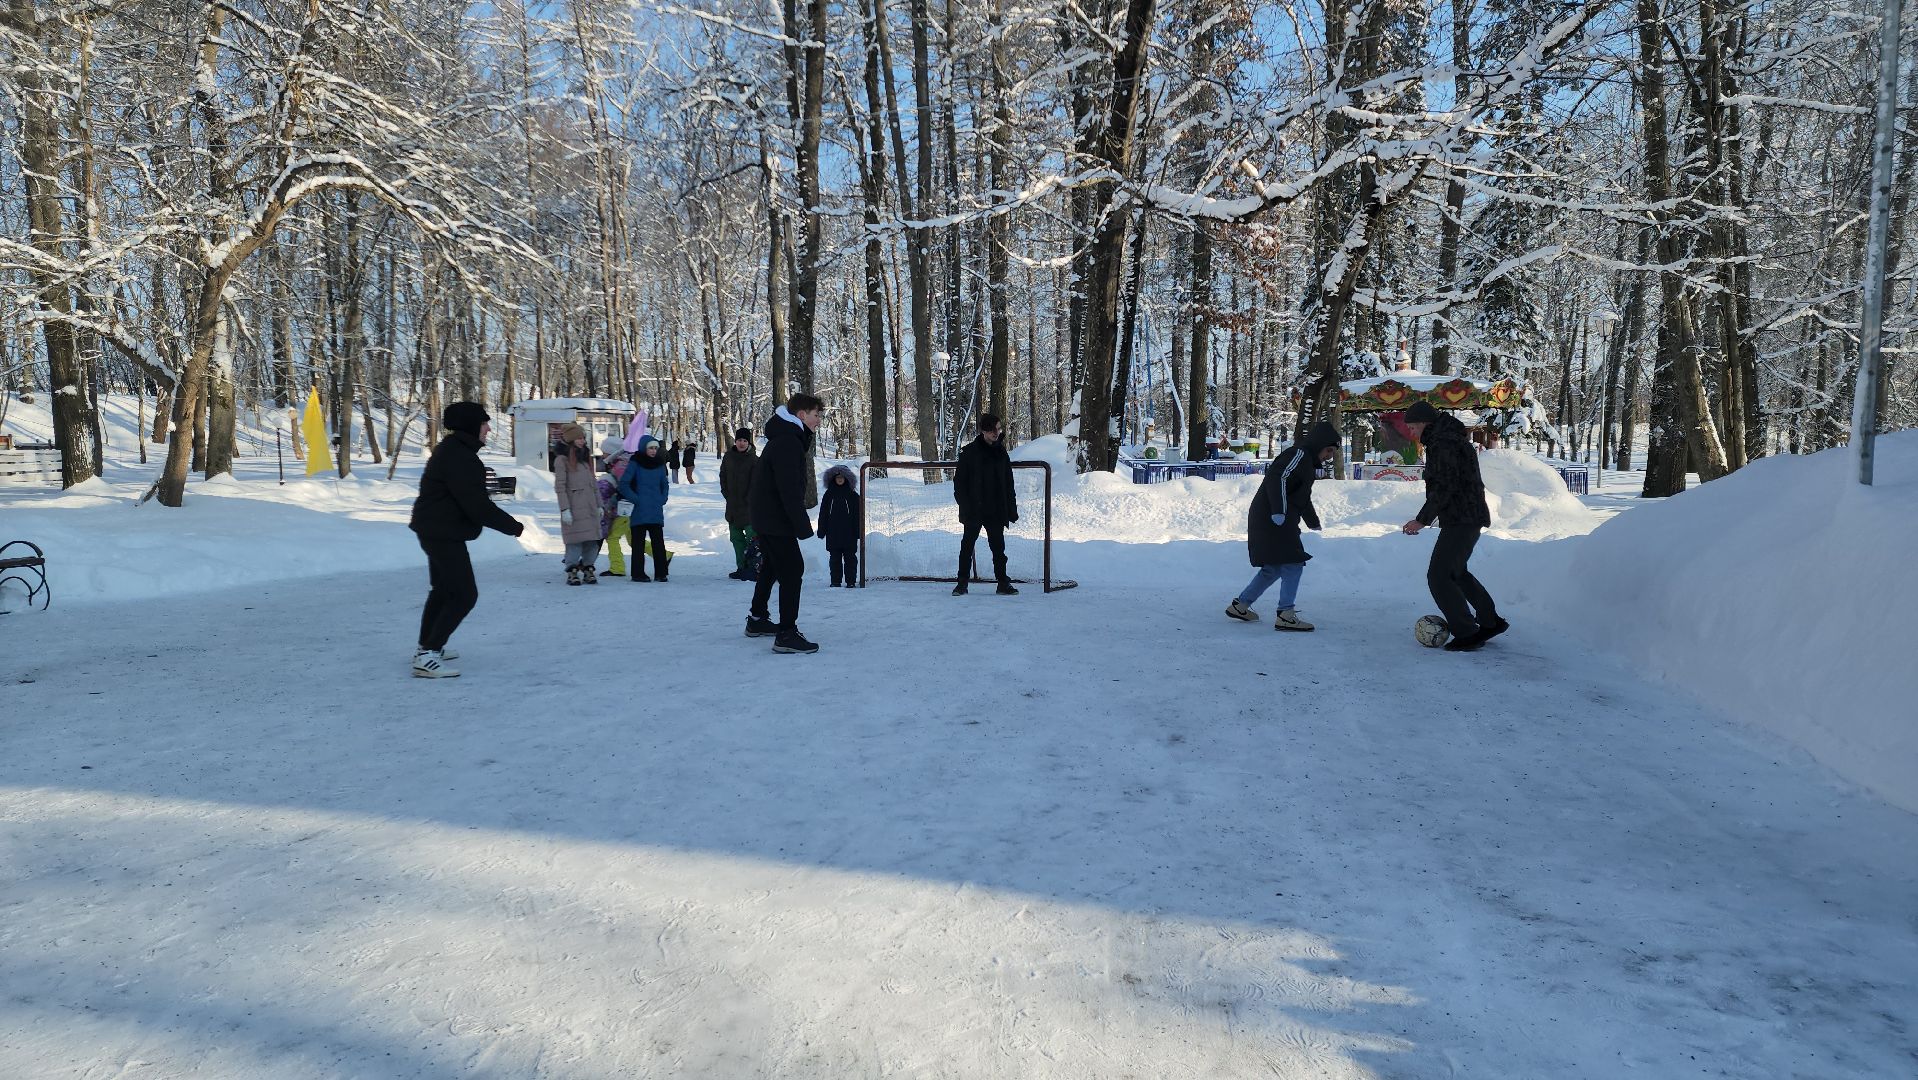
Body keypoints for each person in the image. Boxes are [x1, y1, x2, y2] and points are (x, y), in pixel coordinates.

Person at [407, 402, 526, 678]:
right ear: (472, 425)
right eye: (484, 423)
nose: (488, 428)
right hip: (442, 532)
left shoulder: (453, 450)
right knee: (464, 594)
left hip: (436, 528)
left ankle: (427, 646)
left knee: (443, 590)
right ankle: (428, 653)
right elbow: (477, 506)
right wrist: (513, 527)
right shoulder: (460, 457)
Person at [1401, 399, 1508, 652]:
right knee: (1456, 572)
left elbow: (1445, 485)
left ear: (1424, 423)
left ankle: (1467, 632)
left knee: (1438, 576)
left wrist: (1422, 519)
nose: (1411, 433)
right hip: (1466, 515)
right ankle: (1490, 622)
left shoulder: (1443, 443)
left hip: (1462, 517)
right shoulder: (1447, 438)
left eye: (1413, 428)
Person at [1227, 421, 1339, 632]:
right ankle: (1286, 614)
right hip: (1274, 517)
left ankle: (1241, 605)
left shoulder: (1306, 462)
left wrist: (1312, 521)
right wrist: (1278, 511)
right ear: (1319, 444)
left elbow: (1302, 497)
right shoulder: (1298, 455)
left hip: (1275, 516)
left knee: (1274, 567)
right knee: (1293, 562)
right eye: (1329, 450)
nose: (1330, 456)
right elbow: (1277, 478)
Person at [746, 392, 824, 653]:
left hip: (766, 516)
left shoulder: (785, 438)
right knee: (792, 570)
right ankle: (787, 634)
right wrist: (802, 527)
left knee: (772, 565)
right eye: (816, 416)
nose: (818, 421)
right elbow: (788, 490)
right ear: (801, 415)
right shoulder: (789, 442)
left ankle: (757, 619)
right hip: (774, 518)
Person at [952, 413, 1019, 596]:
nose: (996, 433)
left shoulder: (1001, 453)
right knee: (967, 547)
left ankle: (1003, 583)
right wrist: (965, 506)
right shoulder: (969, 453)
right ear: (983, 431)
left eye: (998, 429)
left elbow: (1008, 483)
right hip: (974, 509)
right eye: (992, 430)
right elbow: (959, 484)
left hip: (995, 509)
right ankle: (962, 583)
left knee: (999, 548)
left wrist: (1011, 508)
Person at [551, 423, 604, 585]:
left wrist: (599, 504)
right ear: (571, 439)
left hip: (589, 507)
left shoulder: (585, 457)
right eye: (579, 438)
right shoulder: (562, 459)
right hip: (574, 507)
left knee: (592, 541)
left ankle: (589, 568)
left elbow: (593, 484)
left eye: (583, 438)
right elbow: (560, 486)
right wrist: (564, 509)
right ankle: (572, 570)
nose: (582, 441)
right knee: (574, 541)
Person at [617, 434, 671, 582]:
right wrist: (636, 499)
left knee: (658, 543)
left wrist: (662, 498)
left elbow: (664, 484)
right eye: (650, 448)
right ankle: (638, 573)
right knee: (638, 544)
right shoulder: (635, 463)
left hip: (655, 509)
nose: (654, 451)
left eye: (655, 448)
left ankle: (661, 573)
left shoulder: (659, 464)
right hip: (639, 510)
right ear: (643, 448)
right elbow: (624, 485)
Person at [719, 426, 757, 579]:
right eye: (739, 440)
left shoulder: (754, 460)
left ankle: (754, 567)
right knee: (736, 539)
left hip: (749, 508)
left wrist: (750, 499)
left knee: (753, 539)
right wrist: (726, 493)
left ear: (749, 443)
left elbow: (757, 483)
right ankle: (741, 567)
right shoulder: (728, 457)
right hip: (733, 507)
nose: (741, 443)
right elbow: (723, 476)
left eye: (744, 440)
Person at [816, 464, 861, 587]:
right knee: (835, 558)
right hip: (833, 533)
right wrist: (822, 530)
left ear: (847, 479)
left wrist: (858, 531)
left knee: (850, 558)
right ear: (833, 479)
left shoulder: (852, 495)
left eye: (842, 477)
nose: (840, 479)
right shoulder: (829, 495)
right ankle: (835, 581)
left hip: (849, 533)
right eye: (837, 477)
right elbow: (823, 514)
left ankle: (850, 581)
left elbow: (858, 515)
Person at [600, 438, 632, 577]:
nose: (602, 455)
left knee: (612, 538)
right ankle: (663, 555)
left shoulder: (621, 466)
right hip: (628, 507)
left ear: (612, 452)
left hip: (625, 508)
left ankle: (617, 568)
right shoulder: (623, 463)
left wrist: (613, 499)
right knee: (634, 540)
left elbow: (623, 487)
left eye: (604, 452)